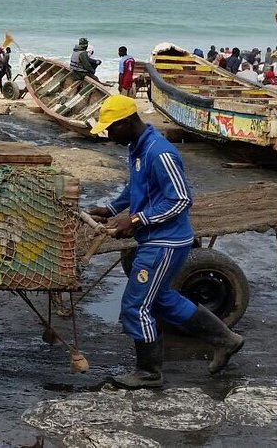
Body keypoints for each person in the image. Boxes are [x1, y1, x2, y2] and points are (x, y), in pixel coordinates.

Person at [85, 96, 244, 389]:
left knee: (136, 305)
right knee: (162, 299)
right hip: (156, 238)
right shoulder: (138, 148)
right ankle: (226, 339)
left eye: (110, 129)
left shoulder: (160, 153)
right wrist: (111, 209)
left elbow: (181, 200)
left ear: (127, 122)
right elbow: (135, 187)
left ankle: (148, 372)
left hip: (165, 242)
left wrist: (134, 221)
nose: (108, 136)